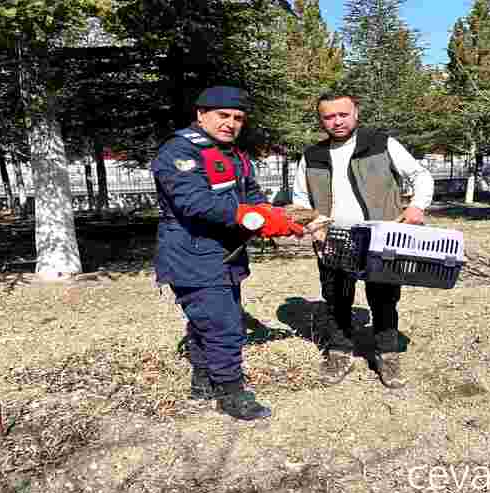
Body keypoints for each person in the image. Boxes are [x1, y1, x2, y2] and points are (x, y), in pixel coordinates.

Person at [152, 86, 303, 420]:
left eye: (238, 118)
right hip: (192, 253)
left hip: (226, 252)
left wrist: (275, 217)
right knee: (224, 325)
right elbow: (194, 203)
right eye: (223, 115)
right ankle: (231, 393)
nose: (231, 123)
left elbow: (251, 194)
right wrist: (253, 218)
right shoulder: (179, 152)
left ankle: (203, 380)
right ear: (201, 114)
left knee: (209, 319)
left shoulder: (233, 153)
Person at [292, 92, 434, 389]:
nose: (337, 121)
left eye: (343, 114)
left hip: (380, 238)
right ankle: (340, 351)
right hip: (333, 239)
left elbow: (420, 175)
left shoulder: (381, 143)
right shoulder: (312, 155)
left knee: (384, 299)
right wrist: (316, 227)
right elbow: (300, 200)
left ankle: (387, 353)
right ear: (321, 120)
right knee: (336, 299)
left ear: (356, 113)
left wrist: (417, 206)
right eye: (329, 117)